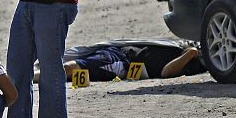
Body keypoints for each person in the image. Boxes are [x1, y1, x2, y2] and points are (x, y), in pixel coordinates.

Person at [44, 41, 205, 82]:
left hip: (124, 64)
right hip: (119, 51)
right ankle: (36, 74)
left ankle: (32, 77)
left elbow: (166, 73)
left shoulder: (194, 63)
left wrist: (190, 54)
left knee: (70, 69)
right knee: (69, 64)